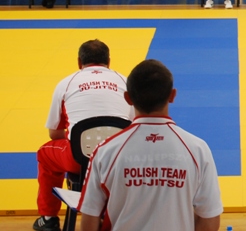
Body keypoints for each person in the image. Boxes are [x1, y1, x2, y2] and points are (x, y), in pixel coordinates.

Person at [79, 59, 222, 231]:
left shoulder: (105, 151)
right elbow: (209, 220)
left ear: (127, 98)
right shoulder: (198, 150)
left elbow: (89, 219)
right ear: (172, 95)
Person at [34, 39, 133, 231]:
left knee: (45, 154)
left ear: (79, 62)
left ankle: (48, 218)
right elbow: (133, 127)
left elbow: (54, 133)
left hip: (77, 160)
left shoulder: (66, 84)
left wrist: (84, 140)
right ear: (109, 61)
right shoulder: (125, 82)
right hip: (120, 159)